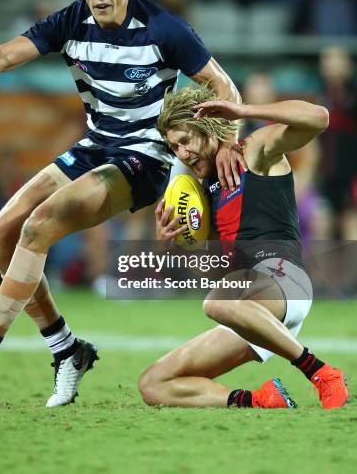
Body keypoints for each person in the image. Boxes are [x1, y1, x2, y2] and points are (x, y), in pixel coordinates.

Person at [0, 0, 244, 407]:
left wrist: (226, 143)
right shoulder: (71, 20)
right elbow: (7, 54)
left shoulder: (164, 28)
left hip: (144, 156)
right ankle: (66, 349)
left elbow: (223, 84)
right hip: (94, 145)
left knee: (38, 226)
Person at [138, 85, 348, 409]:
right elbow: (204, 267)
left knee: (216, 304)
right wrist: (169, 242)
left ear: (208, 130)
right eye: (173, 147)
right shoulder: (204, 191)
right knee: (153, 384)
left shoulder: (253, 151)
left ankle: (320, 372)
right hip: (250, 307)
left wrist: (245, 111)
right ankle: (263, 399)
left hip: (283, 280)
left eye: (185, 141)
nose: (181, 154)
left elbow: (318, 118)